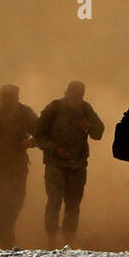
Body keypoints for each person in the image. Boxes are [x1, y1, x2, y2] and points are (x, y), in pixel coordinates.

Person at [34, 81, 104, 246]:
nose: (75, 99)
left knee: (73, 204)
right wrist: (55, 149)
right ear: (66, 93)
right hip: (55, 164)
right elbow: (39, 137)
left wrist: (88, 126)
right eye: (73, 95)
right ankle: (51, 238)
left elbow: (99, 131)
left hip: (77, 165)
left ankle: (68, 239)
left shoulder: (85, 109)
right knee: (54, 201)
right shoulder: (54, 109)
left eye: (79, 96)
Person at [0, 85, 39, 248]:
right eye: (7, 98)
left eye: (12, 98)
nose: (10, 102)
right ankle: (5, 238)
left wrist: (30, 143)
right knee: (2, 201)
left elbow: (41, 132)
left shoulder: (24, 113)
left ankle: (5, 236)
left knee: (17, 201)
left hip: (18, 166)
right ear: (1, 98)